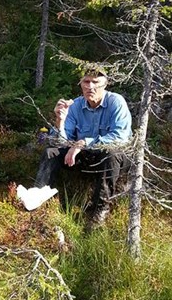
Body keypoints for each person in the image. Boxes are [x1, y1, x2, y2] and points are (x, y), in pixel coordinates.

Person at [35, 66, 132, 227]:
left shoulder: (116, 102)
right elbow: (59, 141)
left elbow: (120, 137)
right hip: (85, 157)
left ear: (106, 83)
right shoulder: (75, 105)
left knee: (111, 154)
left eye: (95, 82)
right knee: (51, 152)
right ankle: (38, 195)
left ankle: (98, 211)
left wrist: (83, 142)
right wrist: (60, 120)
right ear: (81, 84)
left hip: (113, 159)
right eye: (86, 81)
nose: (90, 86)